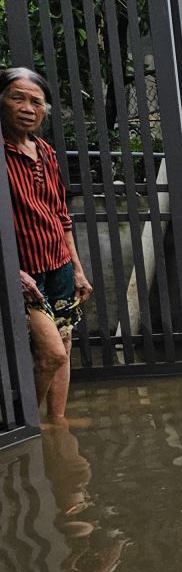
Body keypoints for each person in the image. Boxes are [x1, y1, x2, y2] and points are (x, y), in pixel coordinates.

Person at [4, 67, 90, 423]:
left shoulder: (46, 152)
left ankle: (56, 423)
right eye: (17, 97)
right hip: (23, 272)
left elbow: (60, 215)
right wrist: (14, 272)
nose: (27, 107)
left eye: (36, 101)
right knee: (51, 353)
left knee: (65, 346)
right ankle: (27, 425)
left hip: (58, 266)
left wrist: (78, 269)